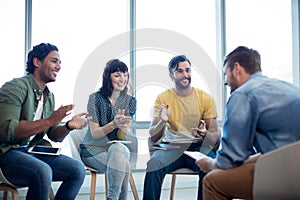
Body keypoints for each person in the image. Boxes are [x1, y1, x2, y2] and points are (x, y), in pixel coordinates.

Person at [196, 46, 300, 200]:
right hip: (292, 166)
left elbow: (229, 159)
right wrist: (245, 162)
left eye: (226, 74)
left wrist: (209, 164)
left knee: (212, 181)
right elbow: (280, 151)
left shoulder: (243, 95)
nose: (225, 82)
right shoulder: (289, 88)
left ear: (237, 68)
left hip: (287, 177)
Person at [0, 43, 89, 199]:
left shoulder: (49, 96)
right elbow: (7, 129)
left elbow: (54, 135)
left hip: (32, 152)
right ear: (37, 62)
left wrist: (69, 126)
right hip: (8, 154)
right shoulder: (15, 87)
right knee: (43, 170)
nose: (59, 66)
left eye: (60, 62)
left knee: (77, 169)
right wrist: (49, 120)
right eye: (54, 61)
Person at [142, 55, 220, 200]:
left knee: (211, 166)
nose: (185, 75)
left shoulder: (205, 98)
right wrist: (163, 121)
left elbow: (214, 134)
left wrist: (205, 134)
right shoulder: (163, 98)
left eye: (187, 70)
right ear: (171, 75)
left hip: (198, 148)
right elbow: (154, 135)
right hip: (172, 148)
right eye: (179, 71)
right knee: (154, 164)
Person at [80, 59, 137, 200]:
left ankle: (111, 198)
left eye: (125, 75)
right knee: (123, 163)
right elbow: (95, 134)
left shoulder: (130, 101)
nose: (122, 79)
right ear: (107, 77)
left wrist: (123, 127)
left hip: (117, 149)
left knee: (118, 148)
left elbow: (121, 136)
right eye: (117, 75)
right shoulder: (95, 99)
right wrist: (113, 124)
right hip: (93, 150)